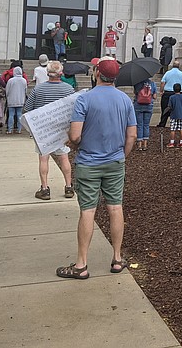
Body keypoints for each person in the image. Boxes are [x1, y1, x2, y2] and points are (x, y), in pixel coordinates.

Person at [57, 59, 136, 279]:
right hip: (115, 162)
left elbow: (74, 135)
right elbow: (132, 135)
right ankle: (117, 258)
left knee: (88, 211)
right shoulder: (125, 100)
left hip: (89, 163)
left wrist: (73, 144)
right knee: (115, 208)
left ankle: (81, 264)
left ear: (96, 73)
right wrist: (122, 155)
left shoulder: (85, 99)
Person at [23, 60, 75, 200]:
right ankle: (69, 186)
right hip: (61, 131)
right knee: (64, 157)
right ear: (61, 73)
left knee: (43, 159)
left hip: (43, 130)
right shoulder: (69, 89)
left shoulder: (38, 89)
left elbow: (28, 109)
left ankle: (44, 188)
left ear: (47, 73)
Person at [157, 60, 182, 127]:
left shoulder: (167, 73)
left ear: (173, 65)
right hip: (178, 93)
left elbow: (162, 82)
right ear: (179, 66)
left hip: (167, 93)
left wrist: (161, 91)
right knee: (176, 109)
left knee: (165, 109)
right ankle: (176, 124)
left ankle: (162, 123)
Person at [133, 76, 156, 151]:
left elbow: (136, 93)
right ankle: (145, 144)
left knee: (139, 125)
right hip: (149, 106)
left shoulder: (137, 83)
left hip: (138, 105)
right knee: (146, 125)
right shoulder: (152, 83)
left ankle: (139, 145)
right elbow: (154, 96)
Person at [5, 66, 27, 134]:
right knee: (19, 114)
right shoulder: (24, 80)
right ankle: (19, 129)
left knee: (11, 114)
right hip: (20, 99)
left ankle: (10, 129)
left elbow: (7, 90)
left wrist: (7, 96)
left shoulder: (11, 80)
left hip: (11, 99)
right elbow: (25, 90)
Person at [167, 83, 182, 148]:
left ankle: (172, 142)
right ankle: (181, 142)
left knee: (173, 129)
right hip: (180, 114)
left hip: (173, 115)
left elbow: (170, 106)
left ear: (173, 89)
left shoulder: (171, 97)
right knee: (181, 129)